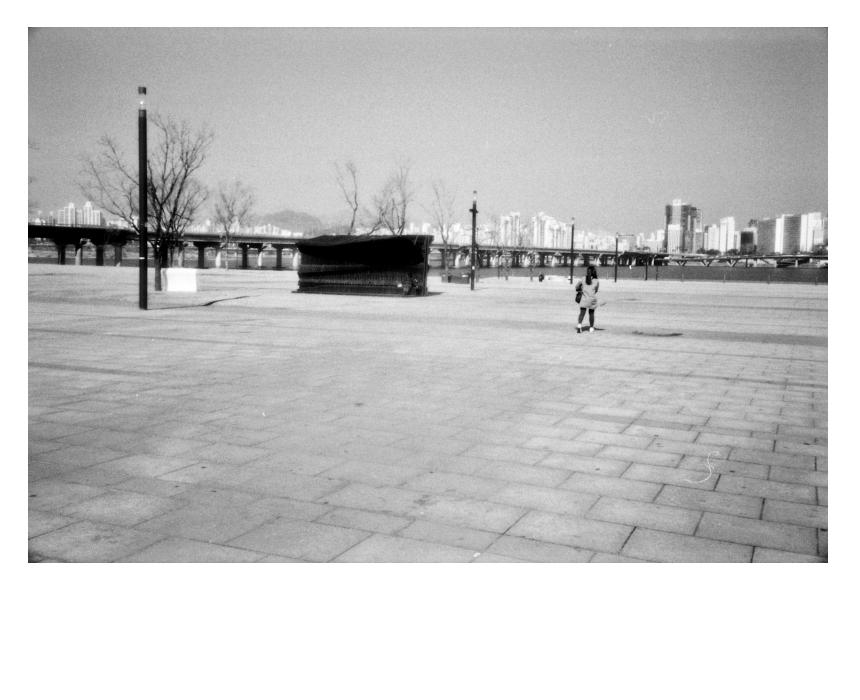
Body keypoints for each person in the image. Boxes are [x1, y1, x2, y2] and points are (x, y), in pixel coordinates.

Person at [576, 265, 599, 333]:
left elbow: (576, 287)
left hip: (584, 299)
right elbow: (596, 290)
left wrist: (581, 289)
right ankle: (591, 328)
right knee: (591, 313)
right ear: (594, 272)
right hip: (592, 299)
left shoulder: (583, 278)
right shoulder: (596, 281)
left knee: (582, 313)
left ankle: (579, 326)